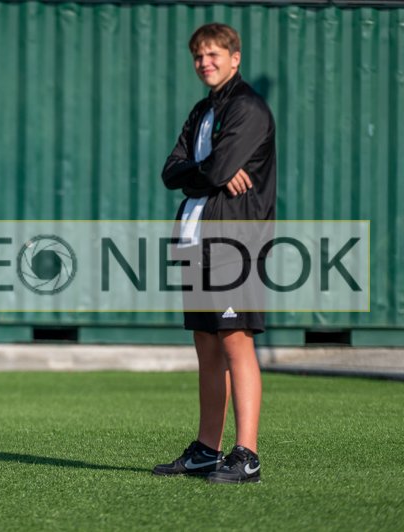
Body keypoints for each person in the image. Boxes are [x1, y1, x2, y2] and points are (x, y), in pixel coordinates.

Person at [155, 23, 276, 483]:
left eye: (213, 55)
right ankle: (208, 450)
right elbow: (171, 171)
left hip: (233, 242)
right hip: (195, 240)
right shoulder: (203, 110)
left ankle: (247, 455)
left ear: (234, 58)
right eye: (199, 57)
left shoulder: (248, 107)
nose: (205, 63)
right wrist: (207, 171)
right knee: (206, 345)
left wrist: (208, 170)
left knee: (235, 341)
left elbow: (216, 167)